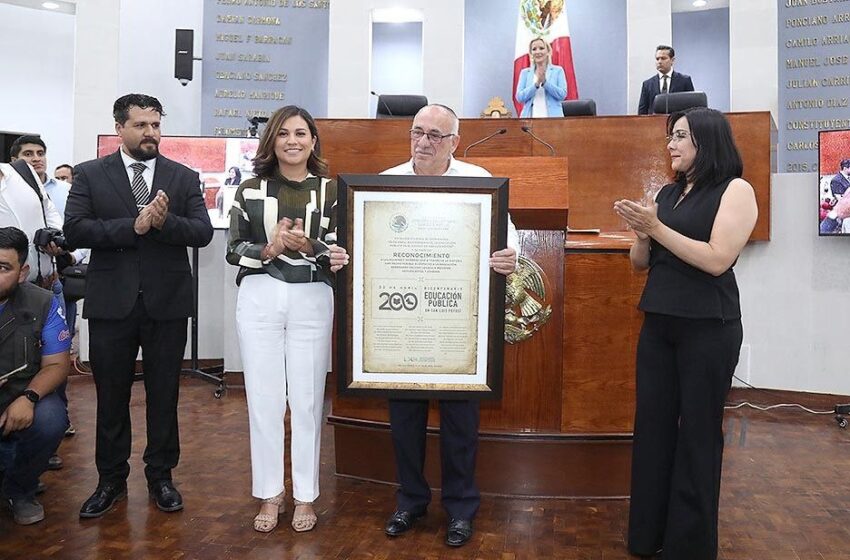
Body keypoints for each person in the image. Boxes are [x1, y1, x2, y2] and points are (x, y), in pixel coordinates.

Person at [613, 107, 758, 559]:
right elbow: (641, 262)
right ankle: (648, 536)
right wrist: (643, 232)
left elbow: (717, 258)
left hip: (707, 329)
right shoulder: (669, 192)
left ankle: (688, 547)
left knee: (697, 433)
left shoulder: (736, 190)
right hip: (659, 322)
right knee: (652, 430)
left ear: (706, 140)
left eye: (679, 136)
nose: (671, 145)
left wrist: (656, 227)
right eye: (670, 137)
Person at [64, 93, 214, 519]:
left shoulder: (182, 177)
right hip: (112, 304)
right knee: (111, 397)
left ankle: (161, 478)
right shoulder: (91, 175)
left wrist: (164, 222)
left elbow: (201, 232)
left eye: (156, 125)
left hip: (167, 305)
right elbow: (74, 230)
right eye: (142, 125)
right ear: (120, 129)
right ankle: (110, 480)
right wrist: (133, 225)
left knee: (163, 395)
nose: (151, 133)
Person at [381, 104, 518, 548]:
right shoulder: (384, 183)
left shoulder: (479, 182)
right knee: (404, 421)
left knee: (461, 424)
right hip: (402, 323)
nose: (423, 142)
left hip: (458, 325)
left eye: (436, 135)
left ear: (455, 142)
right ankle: (410, 501)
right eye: (417, 132)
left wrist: (508, 256)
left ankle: (460, 509)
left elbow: (508, 239)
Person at [226, 105, 349, 534]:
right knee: (264, 400)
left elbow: (340, 249)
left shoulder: (333, 190)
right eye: (283, 134)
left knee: (307, 400)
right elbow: (233, 249)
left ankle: (306, 496)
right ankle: (270, 493)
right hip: (259, 294)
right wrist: (271, 249)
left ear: (314, 140)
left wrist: (308, 243)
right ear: (271, 141)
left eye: (301, 133)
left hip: (313, 297)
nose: (292, 141)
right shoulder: (249, 188)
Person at [10, 135, 86, 466]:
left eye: (41, 153)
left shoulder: (52, 190)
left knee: (54, 362)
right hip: (13, 290)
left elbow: (68, 230)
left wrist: (61, 246)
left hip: (51, 285)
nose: (36, 159)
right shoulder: (9, 187)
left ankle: (49, 438)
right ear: (14, 160)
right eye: (28, 154)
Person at [0, 226, 70, 525]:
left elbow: (56, 365)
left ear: (22, 271)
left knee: (51, 418)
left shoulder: (44, 303)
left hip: (18, 394)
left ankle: (20, 489)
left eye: (3, 268)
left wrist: (28, 398)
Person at [515, 37, 568, 118]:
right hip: (529, 120)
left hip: (554, 120)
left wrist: (545, 83)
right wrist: (536, 85)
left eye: (541, 48)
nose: (538, 51)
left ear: (548, 51)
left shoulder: (558, 71)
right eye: (534, 49)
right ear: (531, 53)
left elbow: (562, 95)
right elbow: (520, 97)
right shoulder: (525, 73)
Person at [637, 45, 695, 115]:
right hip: (654, 123)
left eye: (663, 58)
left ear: (672, 60)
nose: (659, 62)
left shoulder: (685, 80)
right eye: (657, 59)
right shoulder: (647, 84)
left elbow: (692, 108)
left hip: (677, 123)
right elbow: (642, 111)